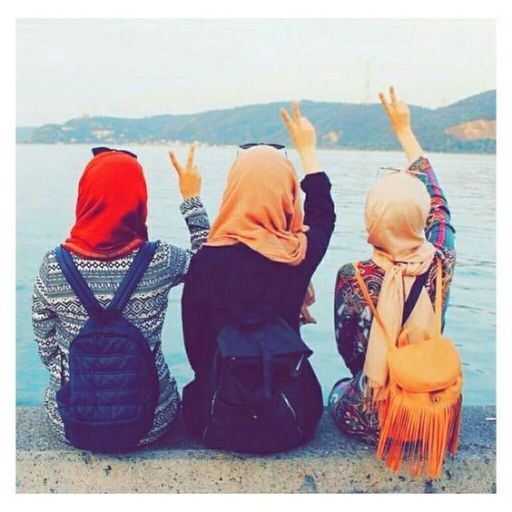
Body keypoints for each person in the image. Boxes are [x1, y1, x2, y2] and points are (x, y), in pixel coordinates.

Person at [181, 103, 336, 451]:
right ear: (287, 192)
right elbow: (323, 215)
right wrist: (308, 151)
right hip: (290, 416)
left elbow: (197, 349)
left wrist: (190, 197)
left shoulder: (206, 261)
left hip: (216, 416)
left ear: (234, 190)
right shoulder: (296, 254)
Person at [32, 144, 209, 447]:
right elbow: (209, 265)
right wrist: (191, 200)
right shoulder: (161, 259)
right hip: (152, 420)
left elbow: (45, 344)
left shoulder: (54, 266)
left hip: (72, 420)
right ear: (139, 199)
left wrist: (85, 378)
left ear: (84, 195)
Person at [328, 87, 457, 444]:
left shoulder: (353, 276)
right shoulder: (442, 261)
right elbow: (440, 206)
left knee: (339, 388)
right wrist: (404, 131)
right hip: (428, 411)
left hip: (373, 418)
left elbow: (350, 353)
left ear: (372, 215)